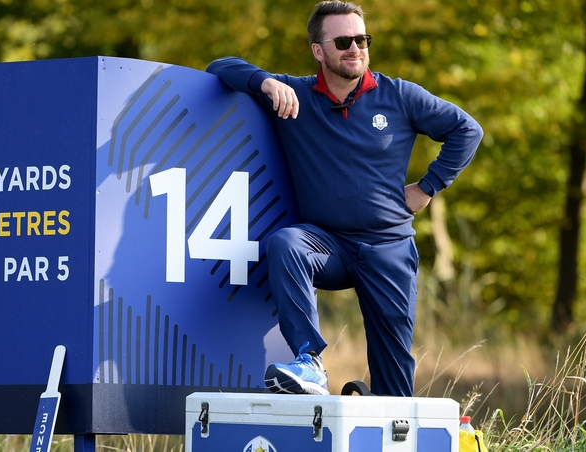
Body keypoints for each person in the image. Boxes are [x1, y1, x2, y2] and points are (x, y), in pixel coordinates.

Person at [207, 0, 483, 396]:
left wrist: (426, 188)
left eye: (361, 39)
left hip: (388, 246)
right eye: (343, 41)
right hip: (328, 244)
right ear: (318, 50)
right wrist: (264, 82)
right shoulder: (294, 95)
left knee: (393, 384)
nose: (355, 48)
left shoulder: (400, 96)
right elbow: (220, 67)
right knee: (286, 243)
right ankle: (309, 361)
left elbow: (467, 131)